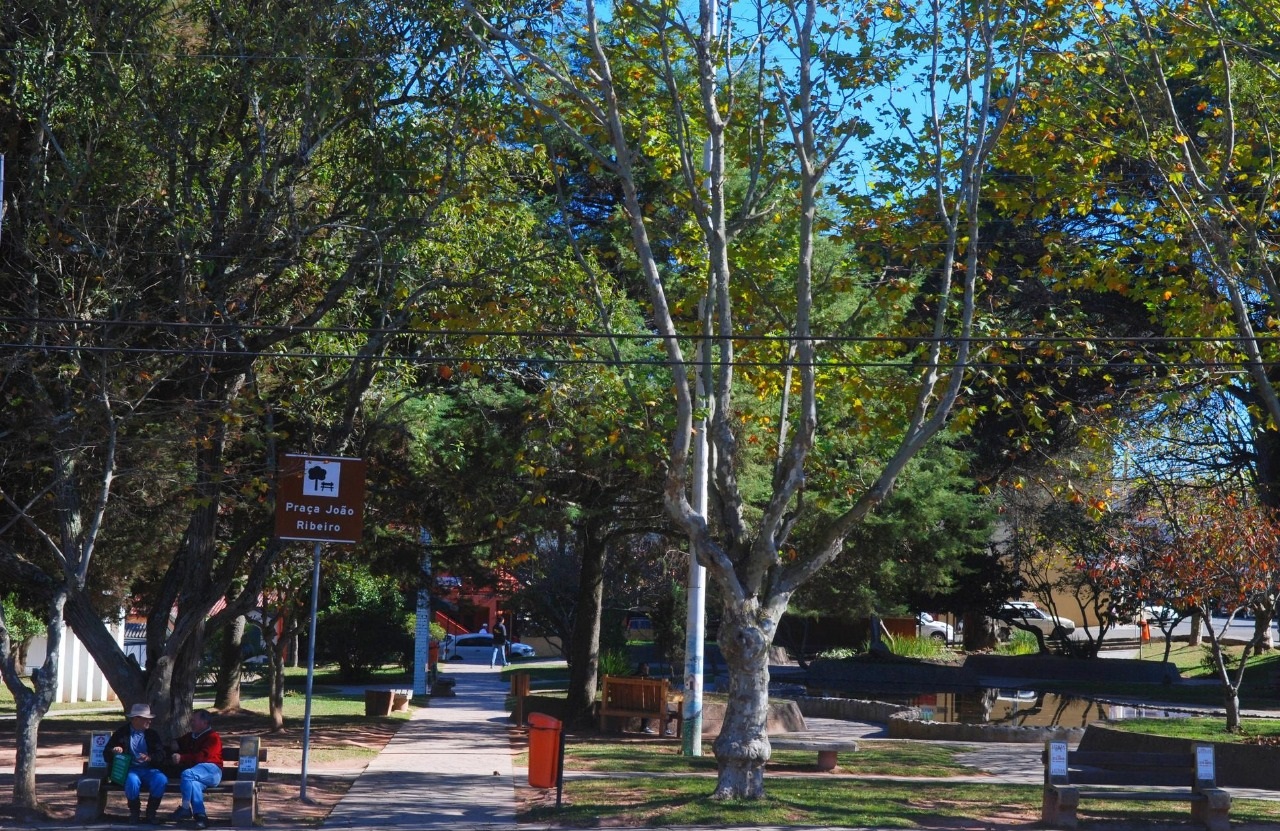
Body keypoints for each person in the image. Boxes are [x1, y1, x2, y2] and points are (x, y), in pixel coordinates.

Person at [105, 703, 169, 824]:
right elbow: (106, 753)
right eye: (146, 718)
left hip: (149, 770)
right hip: (130, 769)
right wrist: (114, 751)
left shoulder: (152, 734)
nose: (149, 721)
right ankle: (135, 812)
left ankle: (151, 813)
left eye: (149, 719)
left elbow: (161, 754)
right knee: (131, 781)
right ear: (135, 719)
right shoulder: (122, 733)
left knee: (161, 780)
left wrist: (150, 758)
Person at [169, 709, 223, 829]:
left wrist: (182, 758)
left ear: (204, 723)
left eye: (194, 720)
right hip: (197, 772)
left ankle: (185, 808)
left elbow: (202, 757)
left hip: (212, 771)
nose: (191, 722)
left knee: (187, 774)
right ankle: (201, 817)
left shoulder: (213, 738)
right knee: (193, 784)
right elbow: (178, 741)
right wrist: (175, 743)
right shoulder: (191, 736)